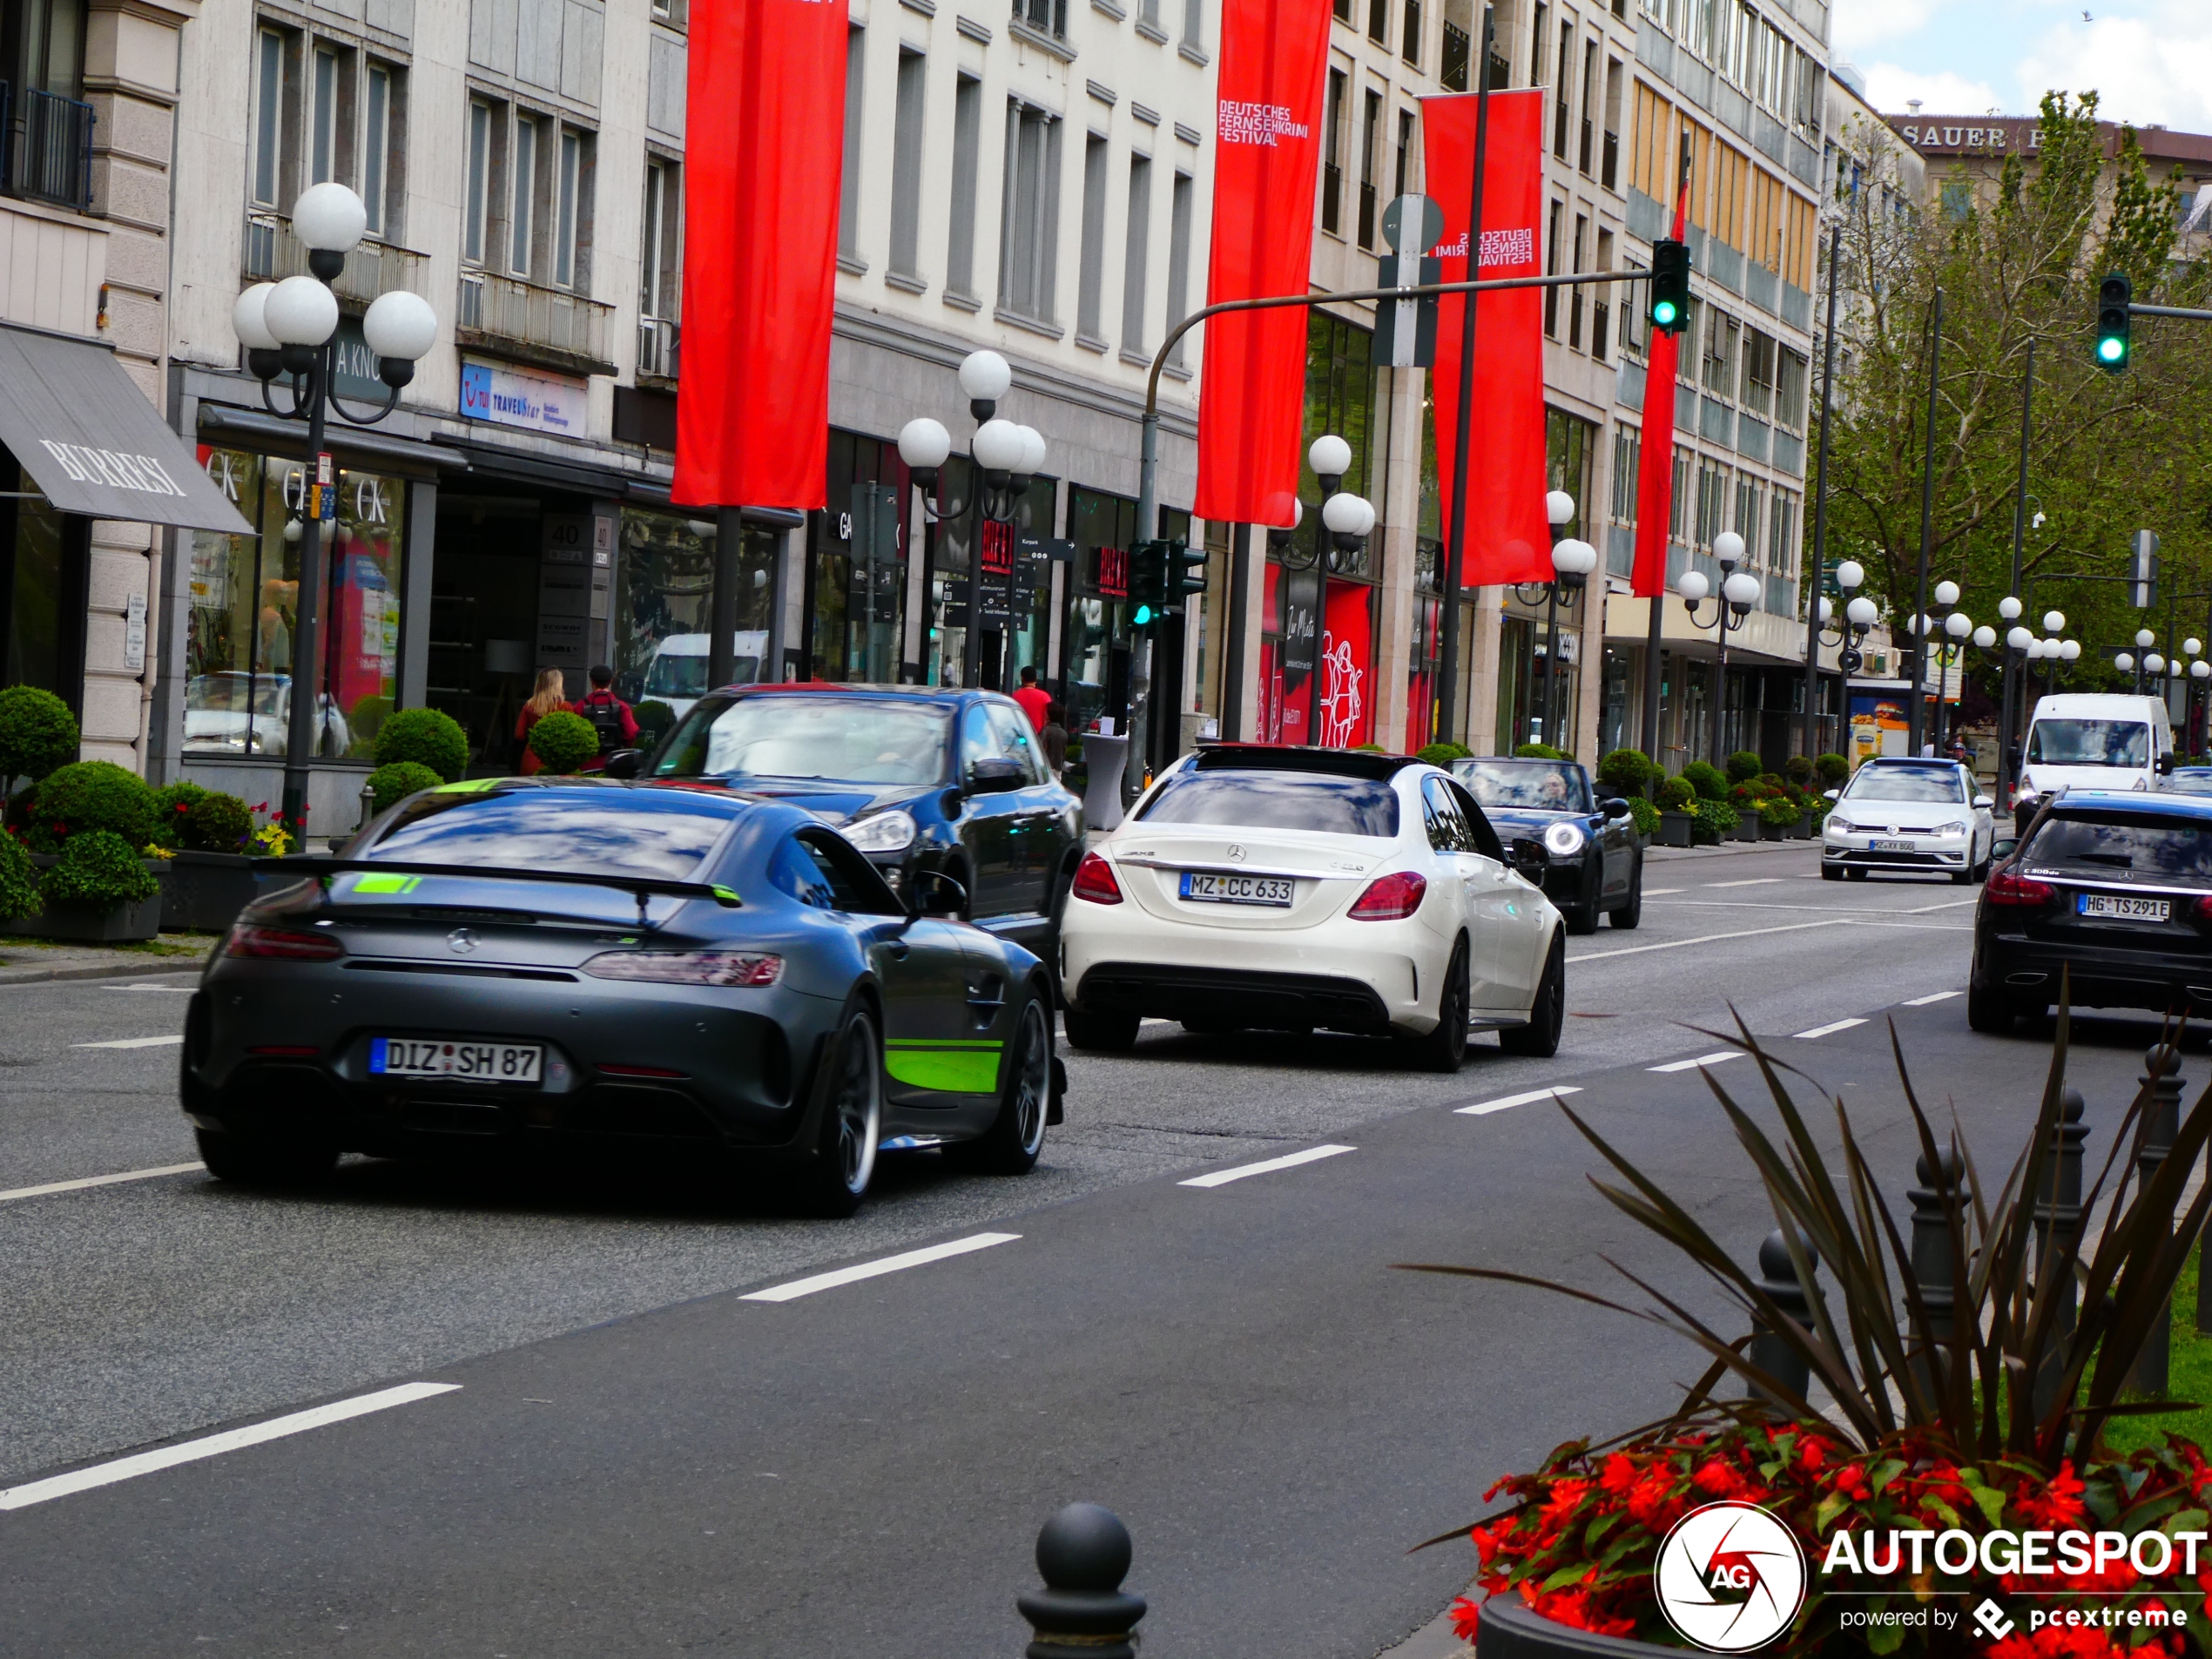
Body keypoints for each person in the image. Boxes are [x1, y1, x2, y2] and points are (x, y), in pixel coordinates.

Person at [573, 663, 640, 771]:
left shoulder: (580, 706)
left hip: (585, 767)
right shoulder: (622, 707)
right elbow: (631, 733)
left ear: (592, 681)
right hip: (613, 765)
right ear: (611, 682)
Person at [514, 668, 570, 775]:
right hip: (554, 760)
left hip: (531, 758)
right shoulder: (564, 707)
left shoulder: (529, 706)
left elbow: (519, 734)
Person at [1012, 664, 1053, 735]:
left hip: (1021, 735)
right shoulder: (1044, 696)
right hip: (1039, 736)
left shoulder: (1015, 696)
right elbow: (1049, 717)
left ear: (1022, 678)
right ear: (1036, 677)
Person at [1039, 701, 1069, 779]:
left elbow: (1038, 748)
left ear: (1049, 715)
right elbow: (1064, 753)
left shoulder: (1046, 730)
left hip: (1046, 768)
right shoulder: (1064, 733)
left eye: (1046, 712)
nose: (1044, 714)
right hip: (1058, 769)